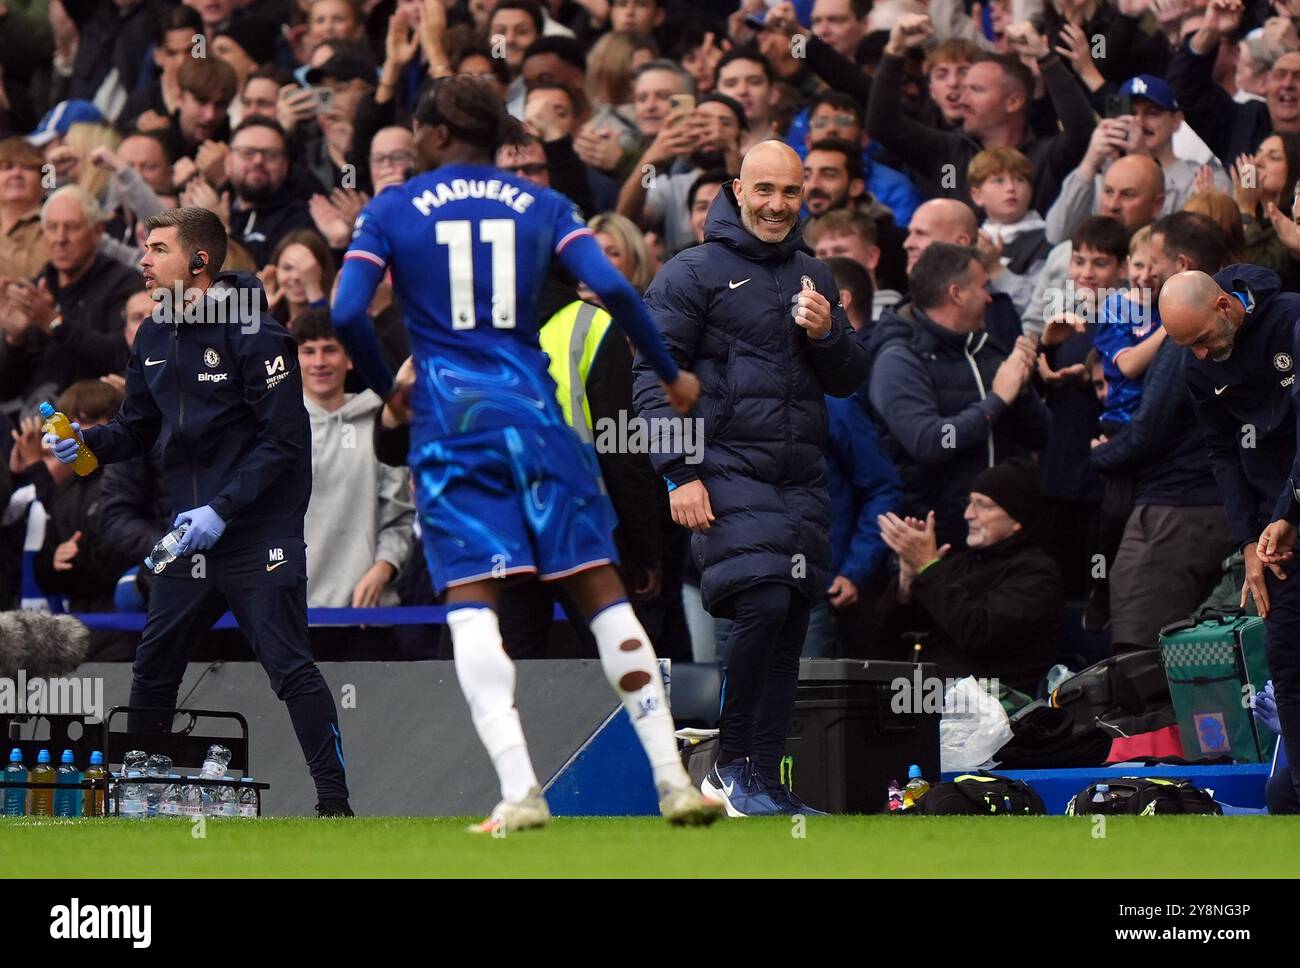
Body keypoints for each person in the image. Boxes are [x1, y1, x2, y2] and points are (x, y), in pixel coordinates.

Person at [329, 75, 720, 832]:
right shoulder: (544, 206)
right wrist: (671, 376)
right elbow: (618, 287)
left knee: (474, 605)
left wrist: (391, 392)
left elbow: (346, 310)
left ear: (437, 135)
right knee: (600, 595)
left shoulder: (391, 210)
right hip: (541, 425)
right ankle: (673, 778)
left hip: (452, 430)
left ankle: (520, 790)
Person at [43, 206, 352, 818]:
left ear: (201, 262)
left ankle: (334, 805)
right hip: (189, 533)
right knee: (154, 662)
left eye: (158, 250)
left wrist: (222, 507)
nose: (143, 262)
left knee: (288, 665)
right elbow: (135, 430)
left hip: (255, 529)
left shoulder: (257, 333)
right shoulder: (154, 333)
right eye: (144, 249)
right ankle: (139, 797)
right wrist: (83, 443)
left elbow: (284, 441)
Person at [634, 140, 871, 816]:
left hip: (799, 480)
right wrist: (679, 472)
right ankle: (729, 768)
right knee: (763, 602)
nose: (776, 205)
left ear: (804, 197)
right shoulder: (691, 272)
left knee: (790, 616)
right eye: (763, 190)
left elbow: (850, 379)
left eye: (789, 193)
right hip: (723, 467)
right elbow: (653, 378)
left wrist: (829, 333)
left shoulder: (816, 276)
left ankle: (761, 780)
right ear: (737, 190)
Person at [1162, 265, 1300, 810]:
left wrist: (1290, 509)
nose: (1197, 356)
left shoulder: (1290, 320)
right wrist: (1248, 543)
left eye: (1200, 341)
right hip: (1276, 534)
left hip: (1289, 512)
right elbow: (1222, 453)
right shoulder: (1196, 361)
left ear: (1225, 306)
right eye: (1184, 347)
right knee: (1287, 658)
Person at [867, 242, 1050, 549]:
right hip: (937, 535)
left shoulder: (988, 347)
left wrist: (1022, 383)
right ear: (956, 294)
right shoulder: (898, 359)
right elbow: (929, 441)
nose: (990, 298)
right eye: (983, 287)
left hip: (1005, 534)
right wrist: (997, 400)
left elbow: (1041, 435)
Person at [876, 459, 1064, 695]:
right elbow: (889, 636)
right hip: (927, 699)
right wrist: (908, 581)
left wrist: (928, 566)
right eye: (969, 503)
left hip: (995, 709)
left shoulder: (1037, 575)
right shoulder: (961, 563)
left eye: (983, 505)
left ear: (1017, 519)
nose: (968, 514)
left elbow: (976, 631)